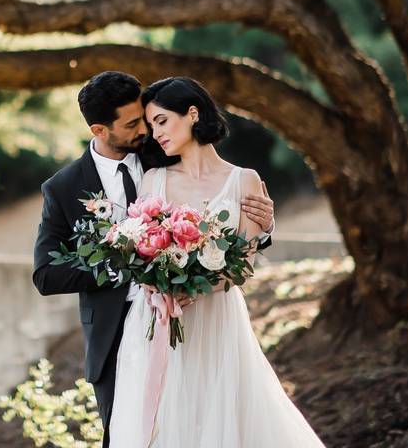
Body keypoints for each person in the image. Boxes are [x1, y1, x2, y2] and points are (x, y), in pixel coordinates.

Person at [32, 71, 276, 448]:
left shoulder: (159, 155)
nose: (146, 131)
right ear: (100, 129)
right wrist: (127, 264)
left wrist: (264, 227)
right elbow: (46, 274)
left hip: (201, 313)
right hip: (118, 336)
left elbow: (220, 204)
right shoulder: (63, 188)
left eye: (149, 121)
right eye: (134, 124)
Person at [108, 76, 324, 447]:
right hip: (157, 318)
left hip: (215, 316)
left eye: (161, 120)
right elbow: (138, 249)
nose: (155, 133)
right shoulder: (153, 180)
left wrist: (197, 286)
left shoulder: (244, 181)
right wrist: (155, 280)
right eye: (150, 125)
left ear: (192, 113)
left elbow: (243, 263)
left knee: (220, 413)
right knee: (160, 421)